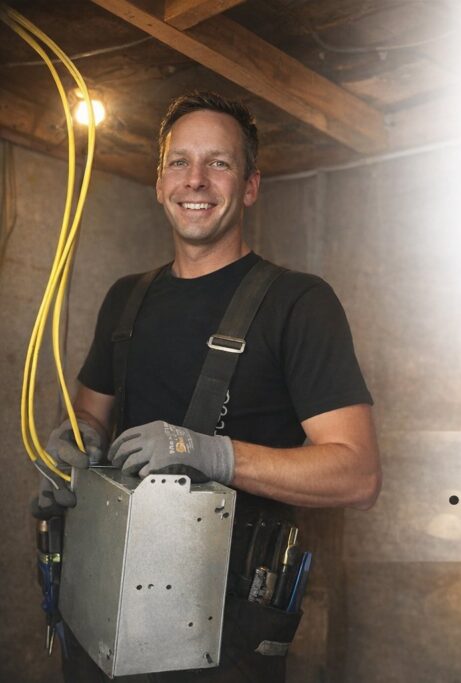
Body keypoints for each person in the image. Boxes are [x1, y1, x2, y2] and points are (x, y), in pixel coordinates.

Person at [39, 91, 381, 682]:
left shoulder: (299, 302)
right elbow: (89, 416)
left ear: (249, 186)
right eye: (180, 161)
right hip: (105, 603)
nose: (195, 179)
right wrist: (75, 445)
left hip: (225, 631)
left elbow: (358, 475)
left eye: (218, 163)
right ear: (159, 182)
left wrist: (212, 453)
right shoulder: (126, 297)